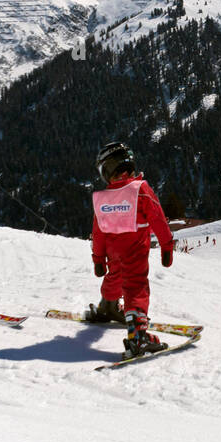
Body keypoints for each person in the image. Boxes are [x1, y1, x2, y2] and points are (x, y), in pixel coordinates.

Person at [87, 141, 175, 358]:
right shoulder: (140, 190)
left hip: (112, 250)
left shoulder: (103, 199)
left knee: (115, 274)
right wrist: (166, 245)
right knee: (135, 286)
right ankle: (138, 337)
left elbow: (97, 232)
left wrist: (98, 258)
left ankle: (107, 305)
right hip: (135, 249)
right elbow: (158, 218)